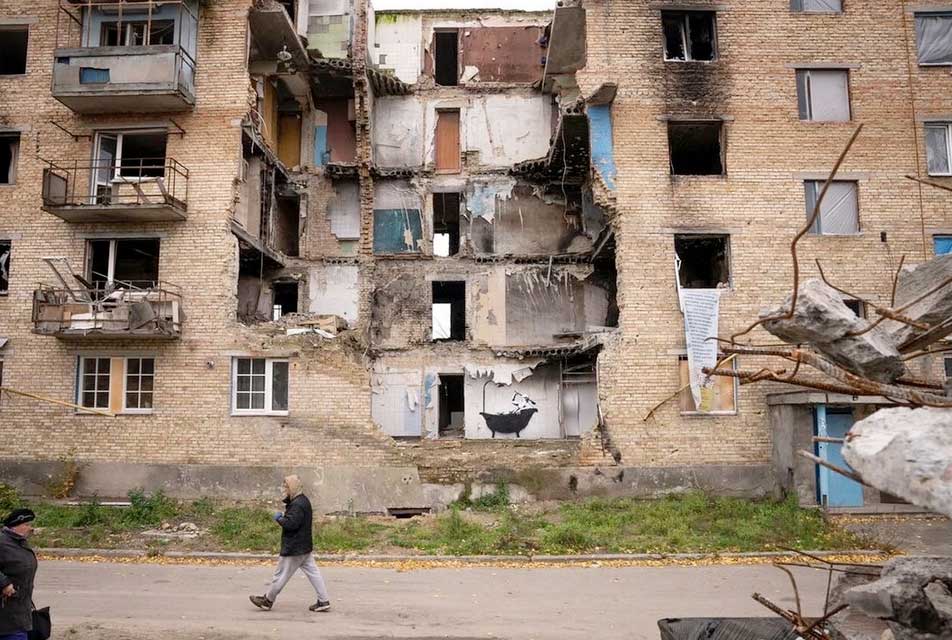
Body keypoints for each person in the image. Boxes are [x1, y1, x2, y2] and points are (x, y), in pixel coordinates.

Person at [250, 475, 330, 613]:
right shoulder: (302, 500)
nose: (284, 489)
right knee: (314, 573)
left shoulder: (297, 504)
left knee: (280, 575)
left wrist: (280, 518)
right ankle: (323, 601)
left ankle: (268, 600)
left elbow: (291, 524)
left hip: (294, 547)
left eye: (286, 487)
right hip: (304, 546)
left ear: (292, 488)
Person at [0, 509, 39, 640]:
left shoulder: (18, 542)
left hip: (20, 610)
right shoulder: (2, 542)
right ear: (15, 526)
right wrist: (4, 583)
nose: (30, 528)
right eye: (26, 524)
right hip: (6, 613)